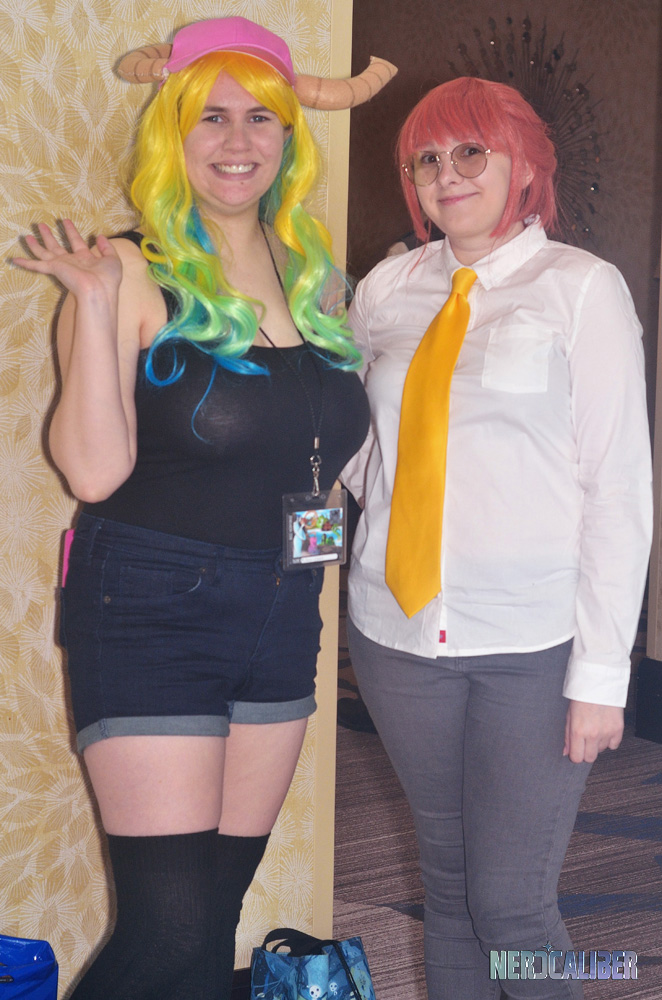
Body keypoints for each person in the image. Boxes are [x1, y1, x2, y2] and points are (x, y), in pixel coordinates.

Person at [12, 16, 394, 999]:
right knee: (168, 927)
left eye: (260, 117)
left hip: (284, 610)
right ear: (172, 134)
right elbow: (92, 473)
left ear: (288, 139)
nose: (237, 140)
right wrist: (96, 306)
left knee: (212, 917)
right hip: (152, 607)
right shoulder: (130, 268)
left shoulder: (313, 277)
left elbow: (331, 448)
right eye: (210, 117)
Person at [340, 76, 652, 1000]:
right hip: (396, 635)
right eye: (427, 159)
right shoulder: (387, 290)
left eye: (472, 150)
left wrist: (602, 674)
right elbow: (358, 440)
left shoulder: (581, 288)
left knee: (510, 903)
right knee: (448, 891)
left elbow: (618, 487)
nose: (448, 173)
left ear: (524, 163)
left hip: (531, 646)